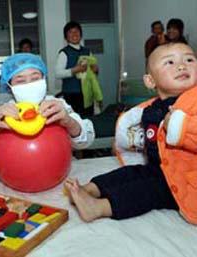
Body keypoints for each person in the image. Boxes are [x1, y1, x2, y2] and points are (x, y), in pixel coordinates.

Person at [64, 42, 197, 224]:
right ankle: (89, 189)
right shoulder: (151, 108)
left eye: (189, 59)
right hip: (157, 168)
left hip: (185, 181)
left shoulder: (194, 101)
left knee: (146, 190)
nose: (182, 65)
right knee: (129, 173)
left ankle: (99, 207)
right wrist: (125, 143)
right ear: (150, 81)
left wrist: (180, 126)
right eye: (170, 62)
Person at [0, 53, 95, 164]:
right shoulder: (5, 112)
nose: (30, 84)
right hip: (15, 183)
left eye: (35, 78)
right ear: (9, 86)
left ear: (44, 79)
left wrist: (68, 121)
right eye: (20, 81)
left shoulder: (57, 105)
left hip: (58, 174)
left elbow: (85, 141)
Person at [55, 21, 101, 117]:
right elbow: (57, 73)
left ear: (81, 34)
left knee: (88, 119)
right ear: (66, 37)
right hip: (71, 94)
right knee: (74, 121)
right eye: (70, 32)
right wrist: (75, 70)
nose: (74, 34)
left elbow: (94, 71)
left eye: (76, 31)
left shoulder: (87, 51)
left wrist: (95, 69)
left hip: (87, 93)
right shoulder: (64, 53)